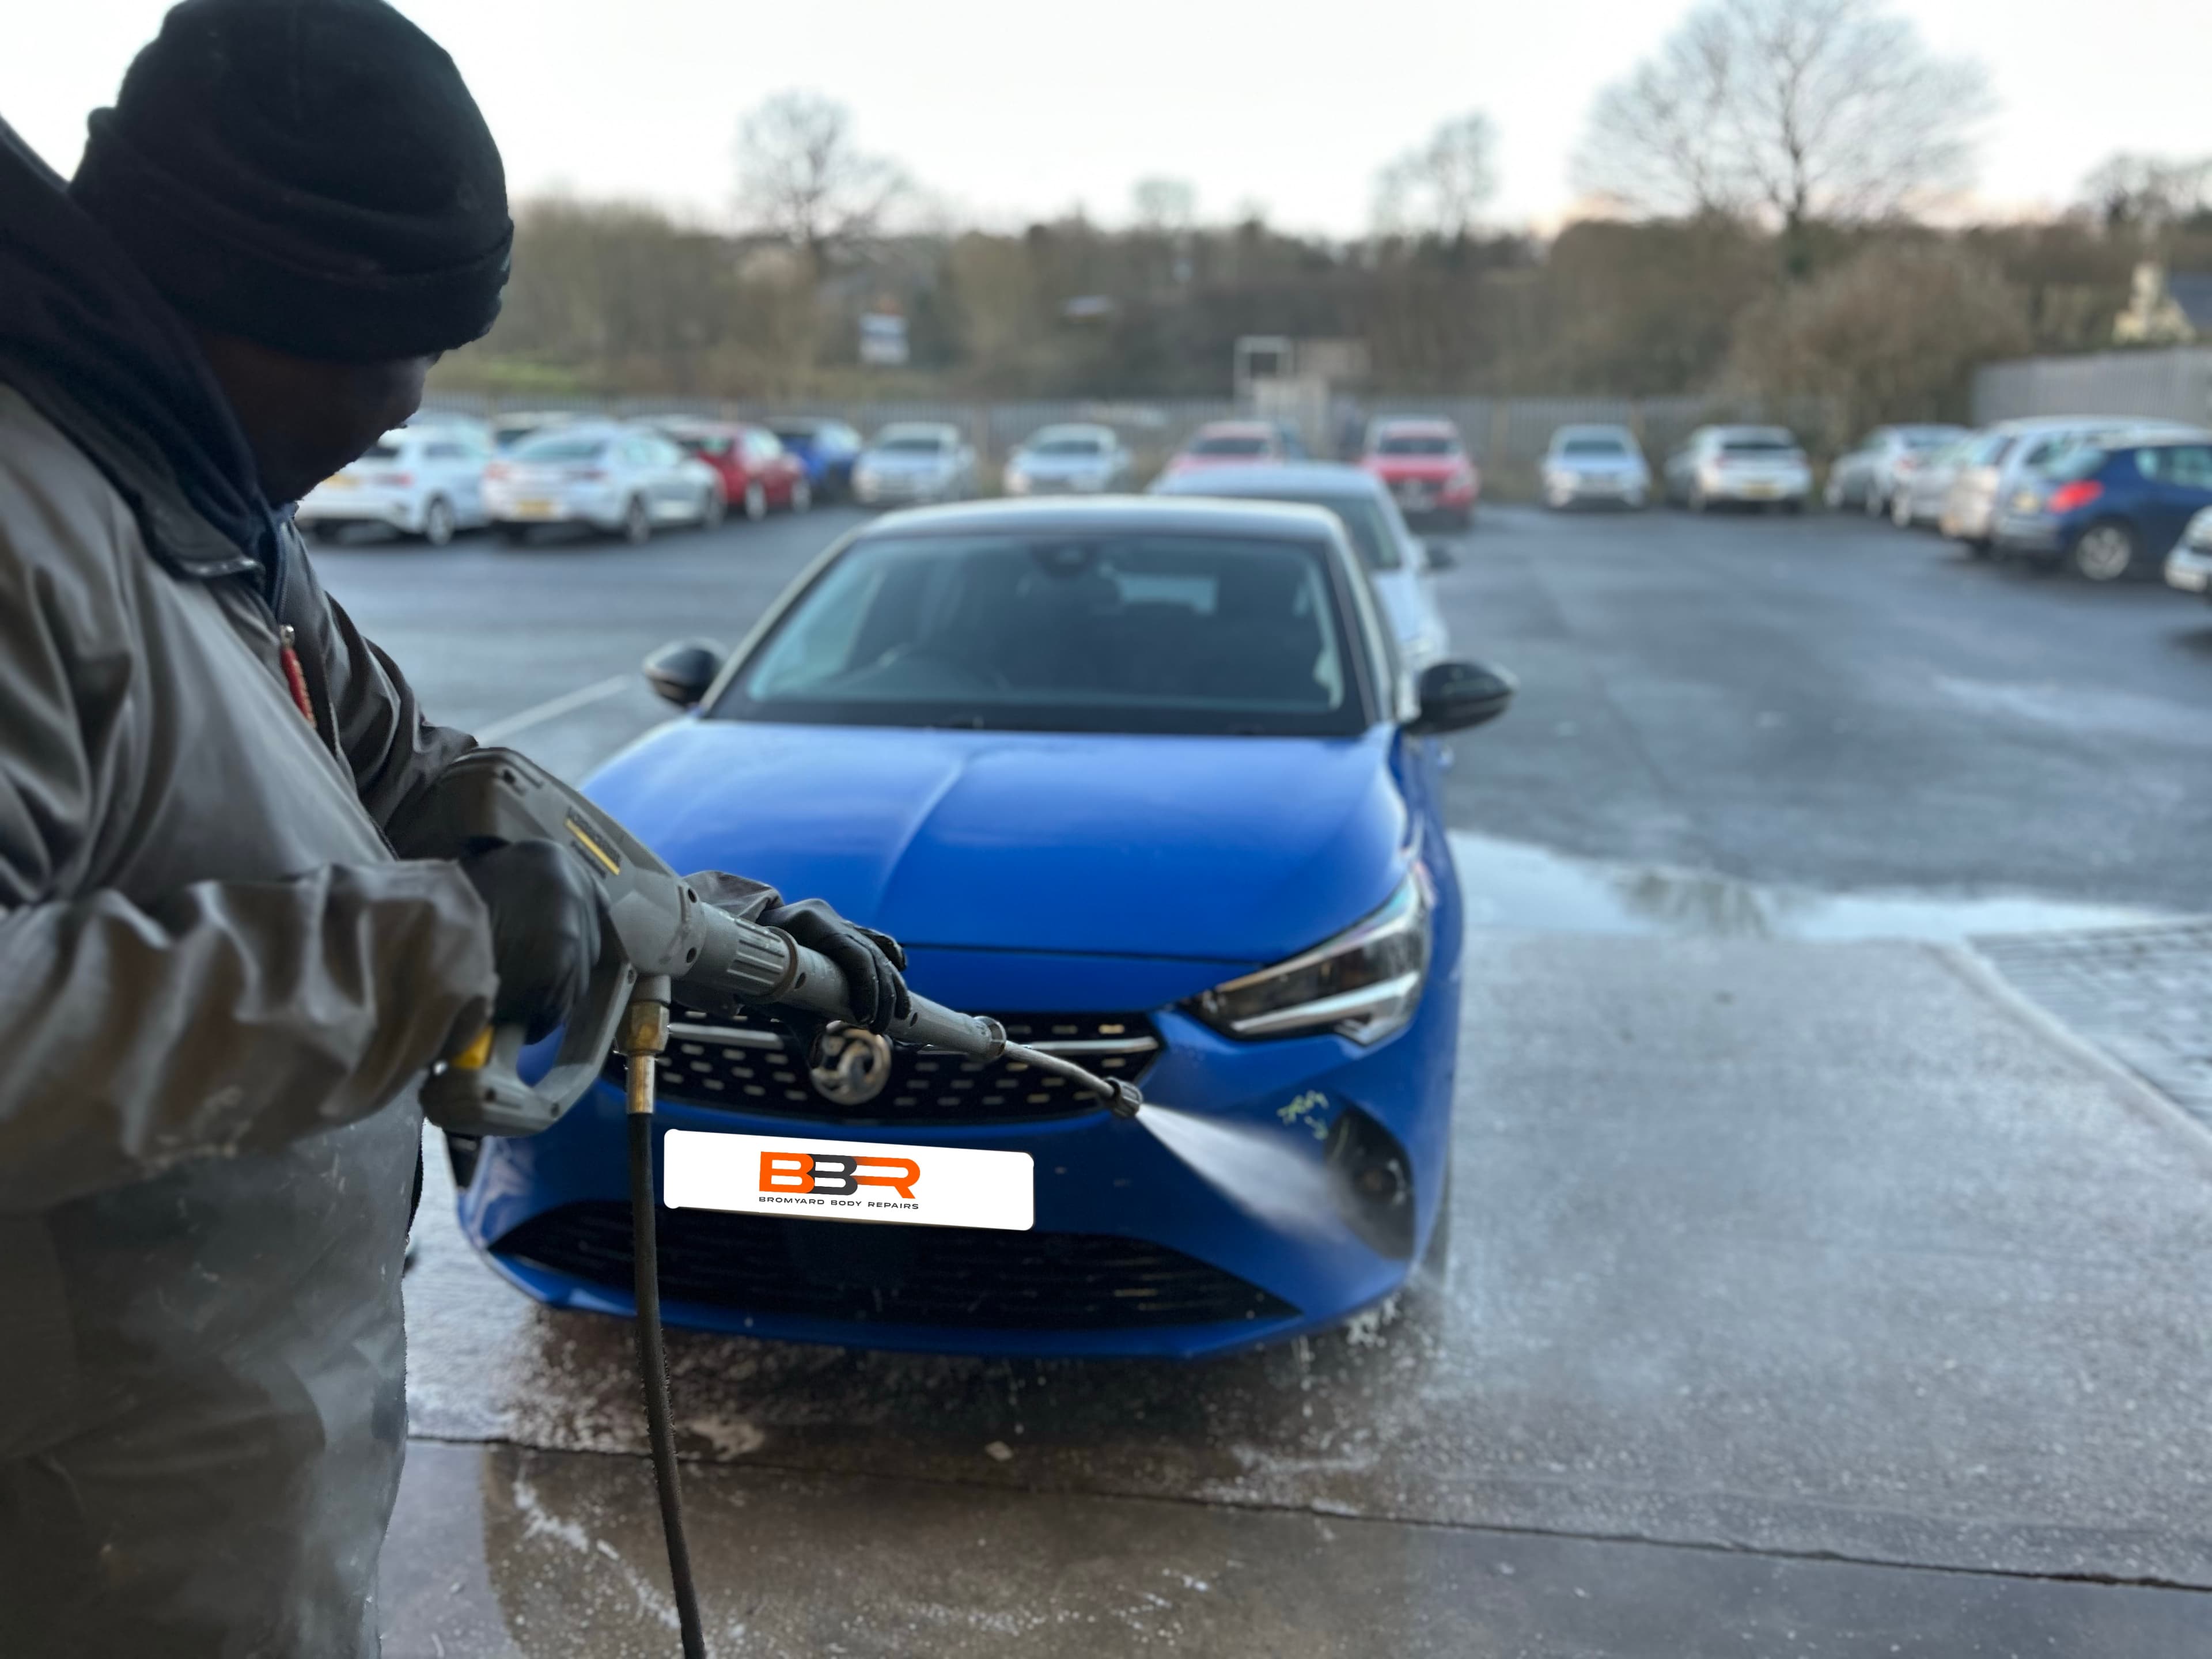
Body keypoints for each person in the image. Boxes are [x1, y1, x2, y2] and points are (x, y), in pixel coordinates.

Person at [0, 3, 906, 1653]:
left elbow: (415, 769)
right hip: (77, 1525)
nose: (413, 410)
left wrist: (709, 917)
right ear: (256, 299)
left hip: (213, 1476)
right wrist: (435, 950)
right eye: (401, 347)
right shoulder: (26, 528)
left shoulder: (197, 503)